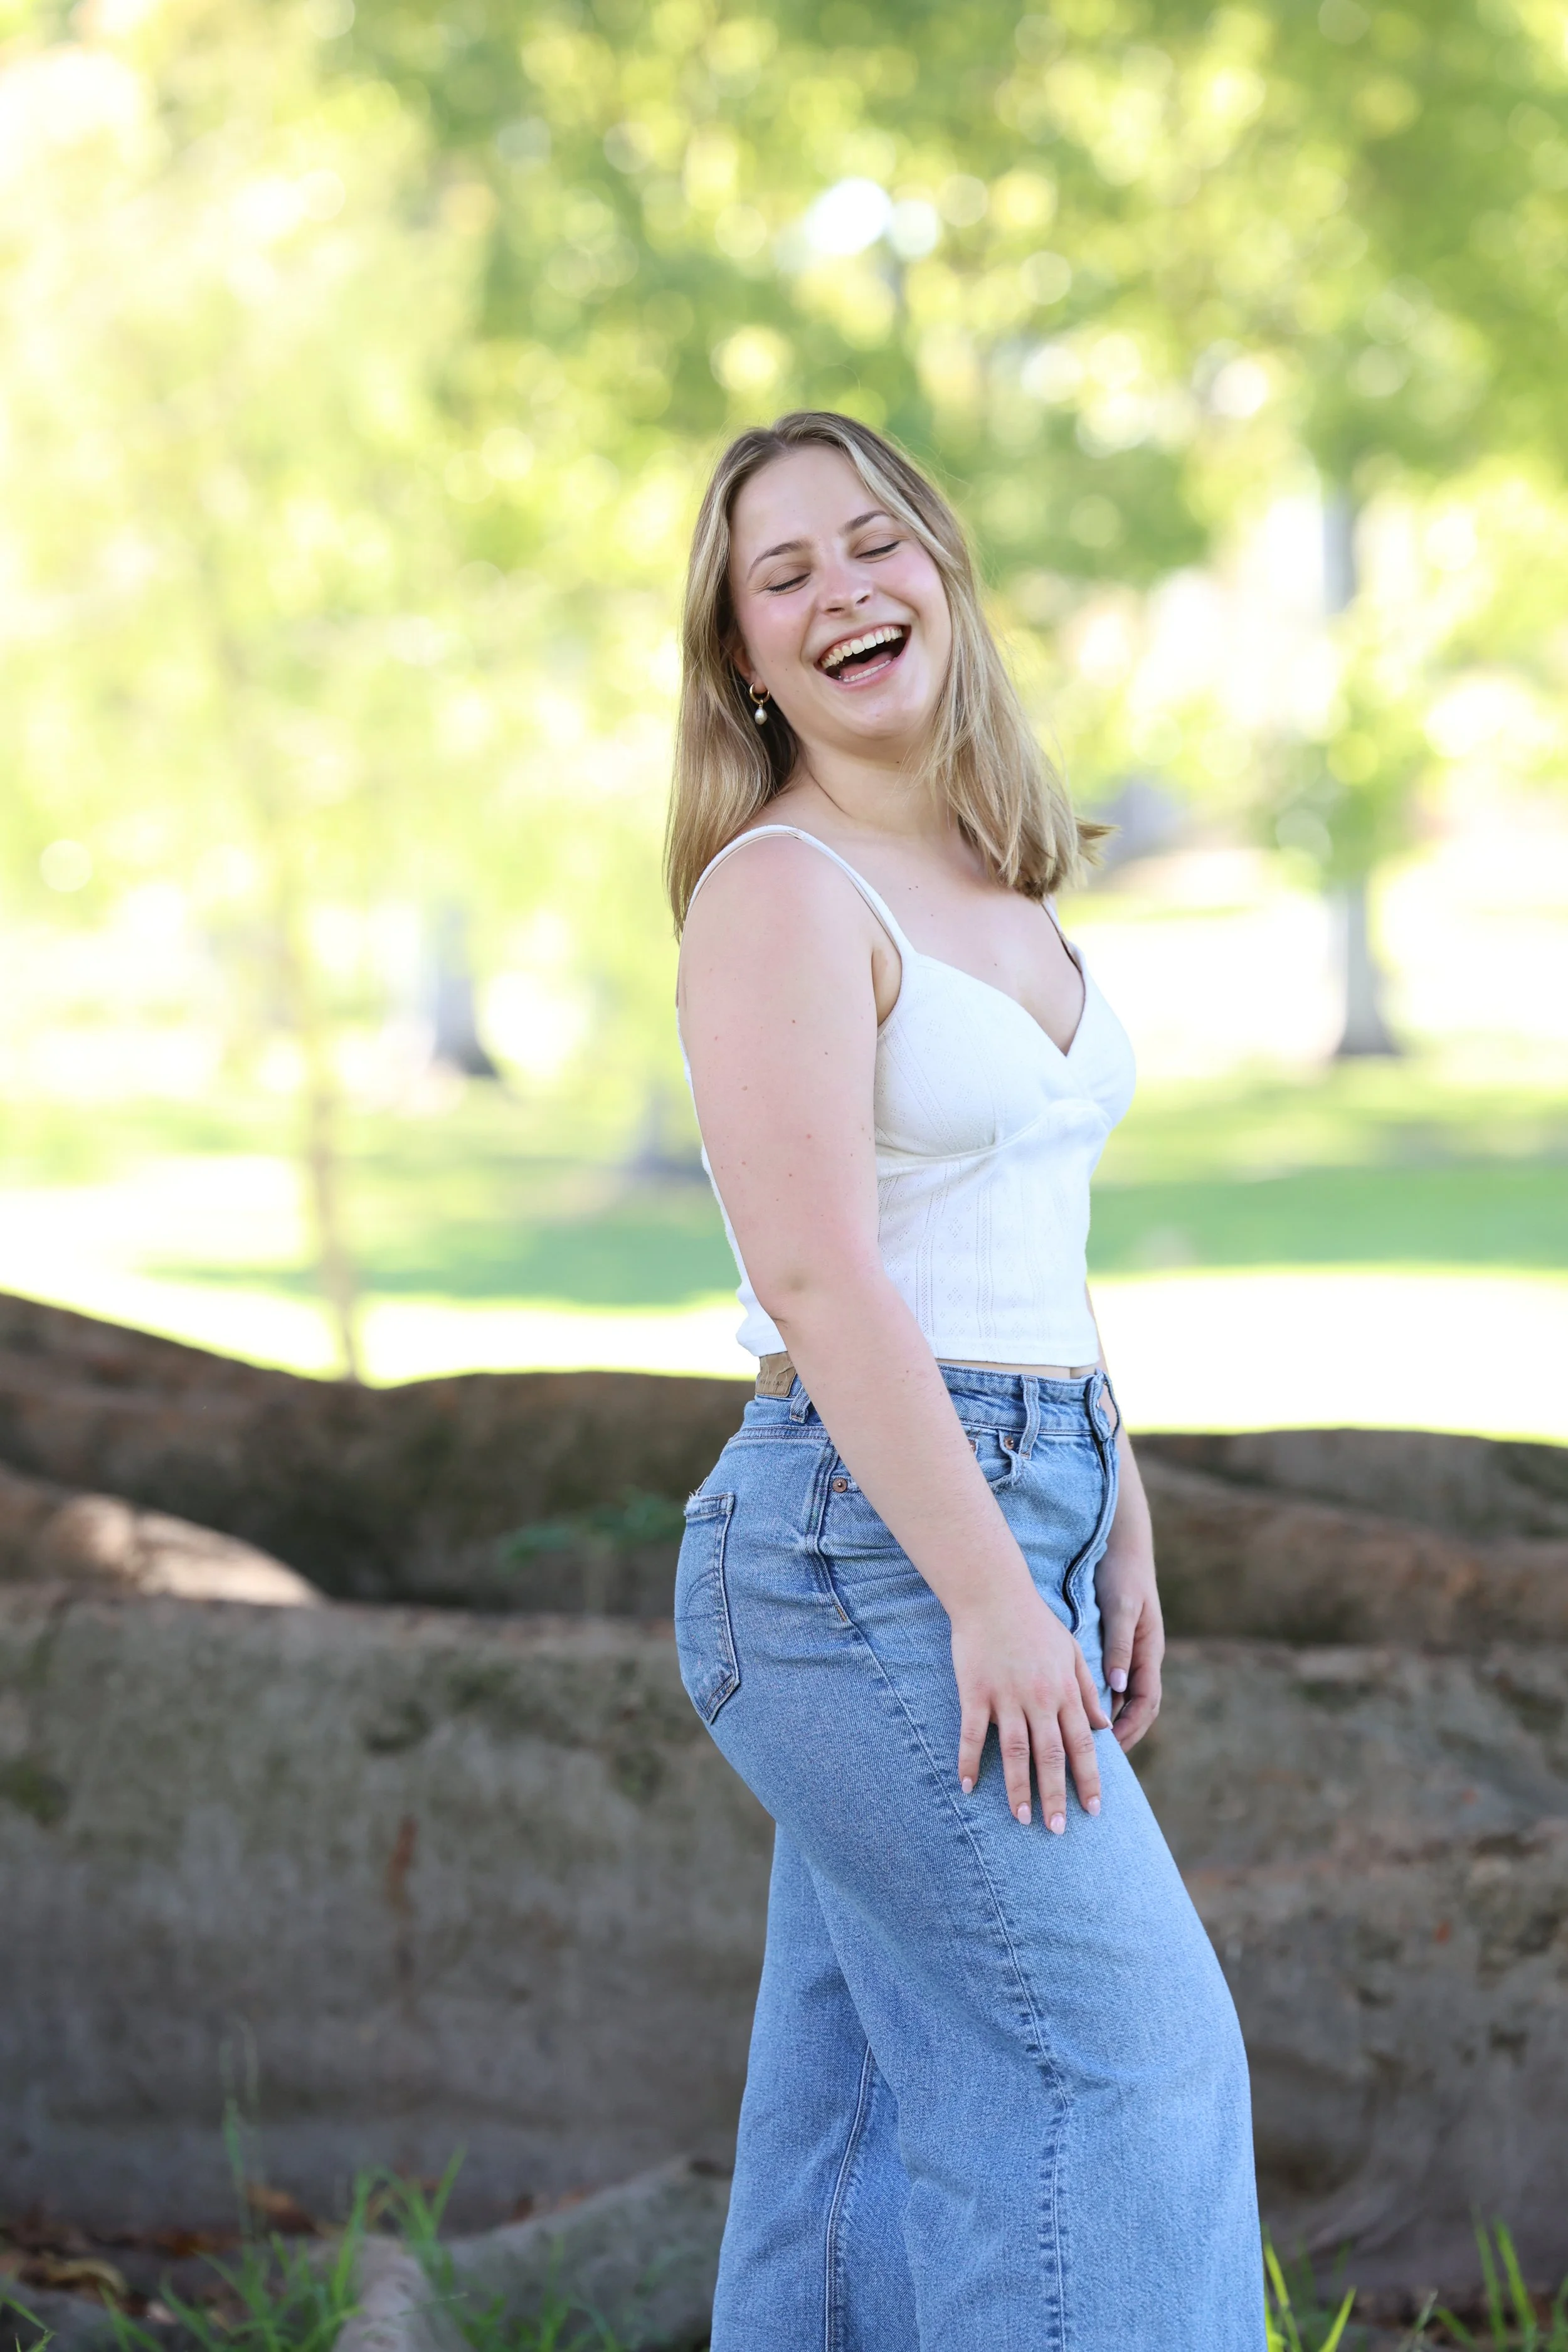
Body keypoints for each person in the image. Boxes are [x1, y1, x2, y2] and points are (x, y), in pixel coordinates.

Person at [667, 410, 1263, 2351]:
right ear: (746, 659)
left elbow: (1017, 1226)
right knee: (1132, 2068)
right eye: (783, 575)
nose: (843, 589)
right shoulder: (779, 891)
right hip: (860, 1550)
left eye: (873, 542)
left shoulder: (992, 875)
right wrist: (994, 1594)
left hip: (1016, 1492)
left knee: (852, 2116)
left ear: (938, 568)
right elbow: (819, 1276)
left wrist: (1113, 1502)